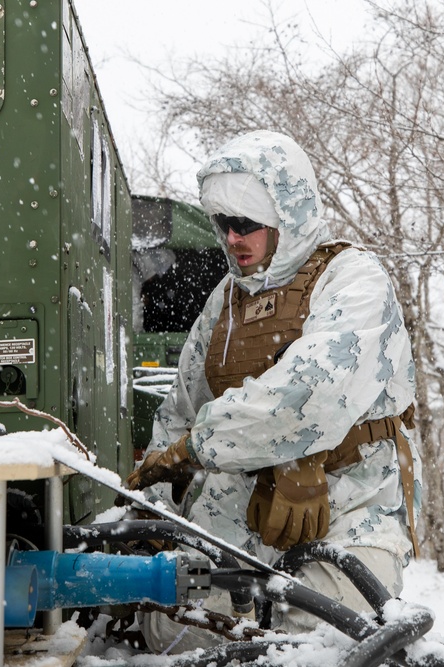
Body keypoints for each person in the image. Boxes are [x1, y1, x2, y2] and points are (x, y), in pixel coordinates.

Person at [123, 130, 421, 652]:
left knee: (321, 643)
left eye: (247, 224)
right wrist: (153, 510)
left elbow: (307, 396)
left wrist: (198, 448)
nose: (232, 238)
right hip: (234, 515)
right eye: (222, 224)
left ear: (288, 217)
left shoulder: (352, 278)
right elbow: (179, 410)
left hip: (350, 507)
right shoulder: (225, 302)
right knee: (174, 634)